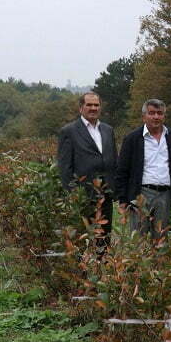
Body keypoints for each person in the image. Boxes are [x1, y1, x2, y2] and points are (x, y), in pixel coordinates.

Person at [115, 99, 171, 239]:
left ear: (164, 116)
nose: (156, 117)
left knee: (161, 238)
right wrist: (122, 199)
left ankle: (159, 262)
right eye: (152, 113)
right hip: (141, 194)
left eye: (160, 113)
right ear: (144, 116)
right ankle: (138, 262)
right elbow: (122, 170)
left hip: (165, 194)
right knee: (138, 238)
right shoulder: (133, 138)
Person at [57, 92, 117, 250]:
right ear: (80, 108)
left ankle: (103, 269)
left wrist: (114, 187)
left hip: (105, 195)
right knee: (84, 240)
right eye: (89, 105)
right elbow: (64, 168)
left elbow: (113, 160)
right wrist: (75, 194)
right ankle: (85, 272)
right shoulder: (69, 131)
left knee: (104, 238)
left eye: (96, 105)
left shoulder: (108, 130)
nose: (93, 108)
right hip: (83, 196)